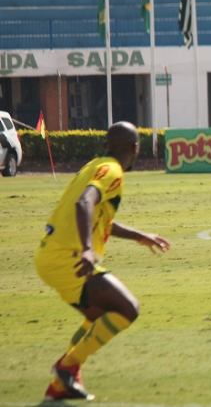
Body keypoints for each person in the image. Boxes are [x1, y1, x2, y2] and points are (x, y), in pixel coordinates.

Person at [35, 122, 171, 401]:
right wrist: (87, 249)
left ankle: (60, 387)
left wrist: (138, 236)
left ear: (106, 145)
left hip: (50, 254)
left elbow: (97, 211)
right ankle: (67, 367)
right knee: (128, 308)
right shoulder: (113, 171)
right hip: (69, 258)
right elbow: (84, 203)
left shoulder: (95, 165)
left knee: (97, 315)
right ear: (134, 149)